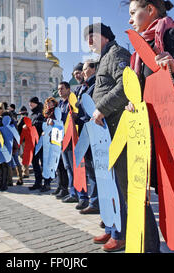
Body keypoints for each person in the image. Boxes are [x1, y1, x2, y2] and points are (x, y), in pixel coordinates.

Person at [125, 0, 174, 252]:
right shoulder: (140, 49)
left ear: (151, 10)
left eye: (134, 13)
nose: (130, 20)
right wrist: (136, 101)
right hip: (159, 135)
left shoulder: (171, 35)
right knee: (173, 195)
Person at [84, 22, 130, 252]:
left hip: (117, 128)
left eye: (90, 37)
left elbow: (127, 85)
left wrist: (101, 108)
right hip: (105, 133)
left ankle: (122, 234)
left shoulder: (117, 53)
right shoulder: (104, 59)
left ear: (102, 36)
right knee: (108, 184)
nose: (88, 42)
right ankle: (112, 228)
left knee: (120, 185)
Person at [75, 60, 100, 215]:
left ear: (94, 69)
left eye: (84, 69)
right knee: (90, 169)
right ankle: (94, 201)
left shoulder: (95, 84)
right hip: (85, 131)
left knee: (97, 169)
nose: (82, 72)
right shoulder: (84, 87)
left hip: (93, 130)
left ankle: (97, 202)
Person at [58, 81, 88, 205]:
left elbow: (77, 114)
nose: (60, 91)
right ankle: (73, 193)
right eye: (59, 89)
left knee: (76, 167)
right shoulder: (61, 104)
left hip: (72, 137)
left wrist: (74, 116)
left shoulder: (72, 100)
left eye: (62, 89)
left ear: (68, 89)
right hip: (63, 138)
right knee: (68, 168)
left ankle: (82, 196)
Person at [41, 97, 59, 192]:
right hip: (47, 140)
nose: (49, 105)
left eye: (51, 103)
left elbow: (57, 125)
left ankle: (48, 183)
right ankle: (46, 182)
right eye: (47, 103)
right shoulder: (47, 114)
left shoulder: (55, 113)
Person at [28, 97, 44, 191]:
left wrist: (34, 125)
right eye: (30, 104)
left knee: (43, 162)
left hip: (41, 140)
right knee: (34, 162)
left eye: (31, 104)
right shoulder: (32, 113)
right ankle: (37, 181)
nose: (30, 105)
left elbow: (43, 123)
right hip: (33, 140)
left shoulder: (40, 112)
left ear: (36, 103)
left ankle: (46, 182)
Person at [17, 106, 30, 179]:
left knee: (24, 156)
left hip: (23, 140)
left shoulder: (23, 119)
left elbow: (18, 128)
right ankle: (25, 171)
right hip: (26, 140)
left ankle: (25, 172)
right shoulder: (28, 118)